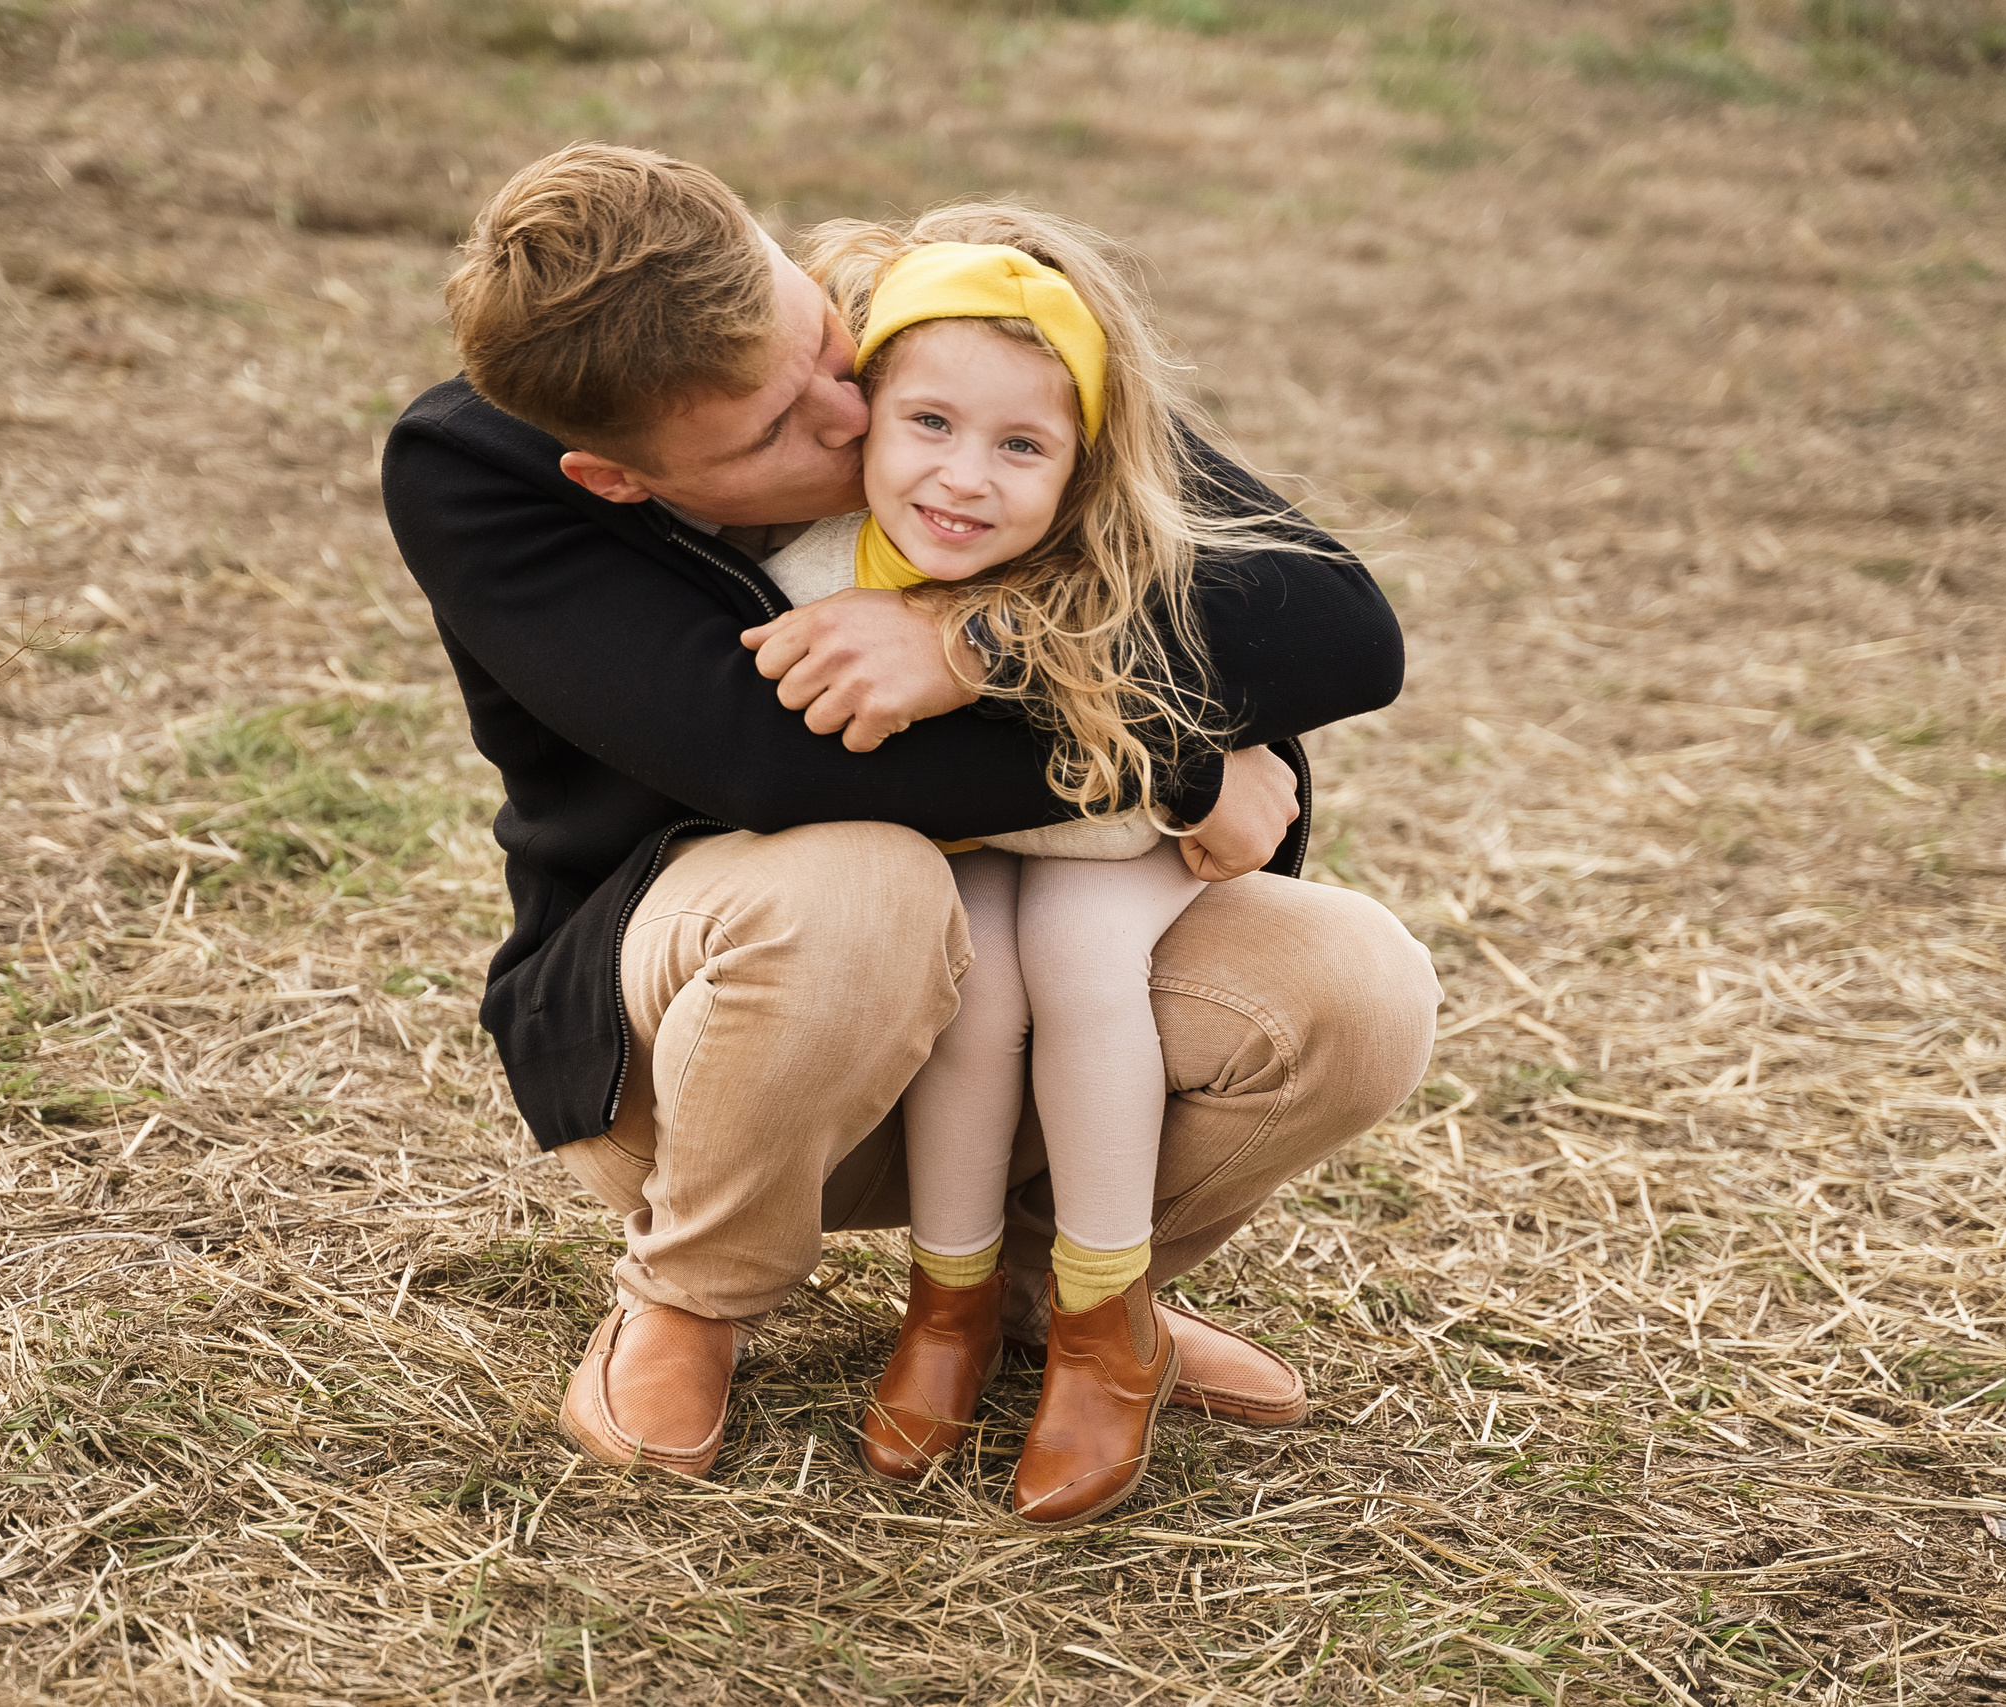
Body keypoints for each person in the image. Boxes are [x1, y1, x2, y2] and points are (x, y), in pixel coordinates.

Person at [380, 142, 1440, 1503]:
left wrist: (981, 639)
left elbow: (1342, 626)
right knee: (864, 887)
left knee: (1352, 987)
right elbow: (776, 766)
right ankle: (691, 1299)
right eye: (769, 433)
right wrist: (1165, 770)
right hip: (710, 1045)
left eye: (824, 348)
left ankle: (1056, 1297)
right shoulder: (478, 472)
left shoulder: (917, 319)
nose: (849, 412)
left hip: (1022, 1013)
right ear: (616, 480)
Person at [760, 210, 1310, 1526]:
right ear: (865, 421)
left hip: (1130, 846)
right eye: (930, 425)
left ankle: (1101, 1321)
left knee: (1069, 949)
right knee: (977, 984)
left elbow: (1133, 816)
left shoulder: (1117, 574)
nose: (966, 478)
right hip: (977, 851)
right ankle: (946, 1308)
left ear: (1080, 467)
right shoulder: (812, 575)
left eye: (1022, 446)